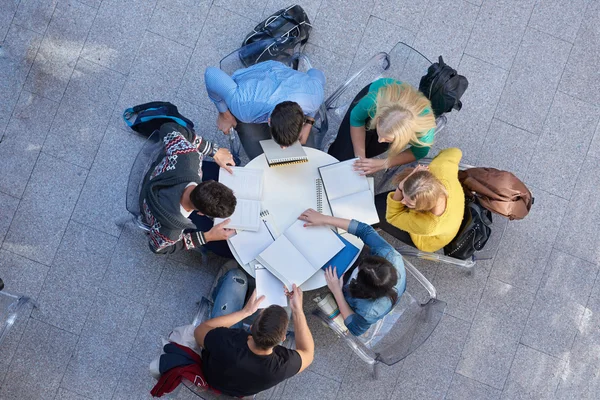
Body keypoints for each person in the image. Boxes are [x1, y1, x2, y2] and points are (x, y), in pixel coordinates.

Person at [193, 267, 314, 397]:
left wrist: (245, 312)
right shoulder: (281, 367)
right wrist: (297, 310)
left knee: (235, 274)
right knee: (285, 305)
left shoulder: (225, 342)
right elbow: (308, 353)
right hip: (240, 390)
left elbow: (199, 331)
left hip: (213, 375)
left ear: (250, 328)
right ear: (282, 338)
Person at [299, 209, 406, 336]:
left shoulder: (368, 312)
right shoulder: (390, 255)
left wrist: (336, 291)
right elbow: (364, 230)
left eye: (358, 273)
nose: (357, 269)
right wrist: (324, 218)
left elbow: (356, 329)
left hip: (345, 289)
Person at [139, 122, 237, 256]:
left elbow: (167, 127)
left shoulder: (189, 156)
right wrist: (207, 237)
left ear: (209, 181)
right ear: (202, 213)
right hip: (148, 204)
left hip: (159, 176)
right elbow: (158, 248)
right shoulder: (171, 231)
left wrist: (213, 151)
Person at [204, 60, 325, 159]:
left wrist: (309, 122)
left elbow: (317, 74)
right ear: (269, 121)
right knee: (258, 155)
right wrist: (224, 113)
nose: (283, 149)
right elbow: (211, 74)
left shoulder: (314, 96)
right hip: (254, 82)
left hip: (281, 76)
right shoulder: (243, 105)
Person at [327, 78, 437, 175]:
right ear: (378, 118)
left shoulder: (424, 132)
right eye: (380, 135)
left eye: (387, 139)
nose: (380, 140)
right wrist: (359, 156)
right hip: (374, 101)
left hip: (387, 118)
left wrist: (384, 163)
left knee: (371, 149)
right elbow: (356, 119)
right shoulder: (372, 101)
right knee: (342, 153)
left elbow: (419, 152)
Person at [374, 147, 465, 252]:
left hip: (427, 239)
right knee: (380, 203)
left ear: (423, 208)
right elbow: (455, 151)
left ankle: (371, 224)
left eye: (409, 203)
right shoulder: (441, 168)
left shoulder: (429, 225)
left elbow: (393, 216)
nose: (403, 202)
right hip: (453, 214)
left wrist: (400, 188)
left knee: (376, 210)